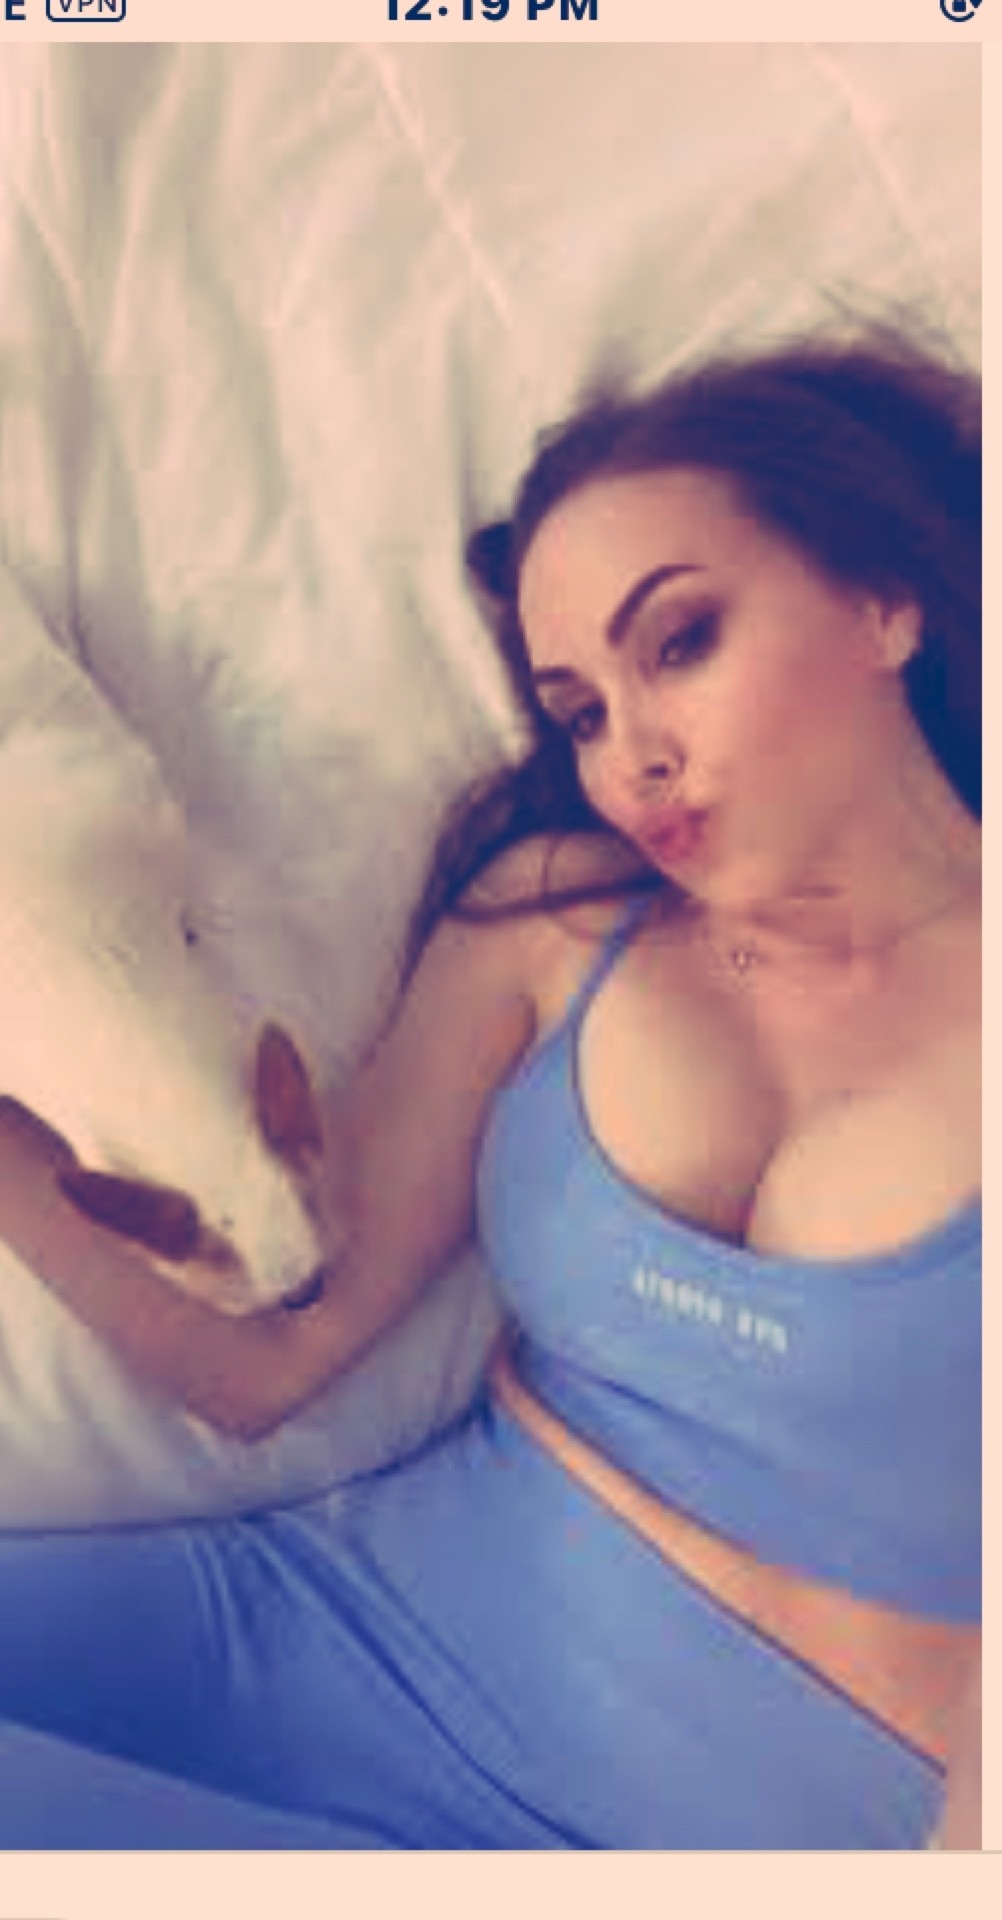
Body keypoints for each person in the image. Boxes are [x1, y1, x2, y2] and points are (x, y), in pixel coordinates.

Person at [0, 330, 981, 1850]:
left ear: (882, 600)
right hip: (308, 1644)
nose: (630, 754)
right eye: (578, 710)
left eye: (681, 642)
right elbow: (262, 1365)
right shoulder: (554, 915)